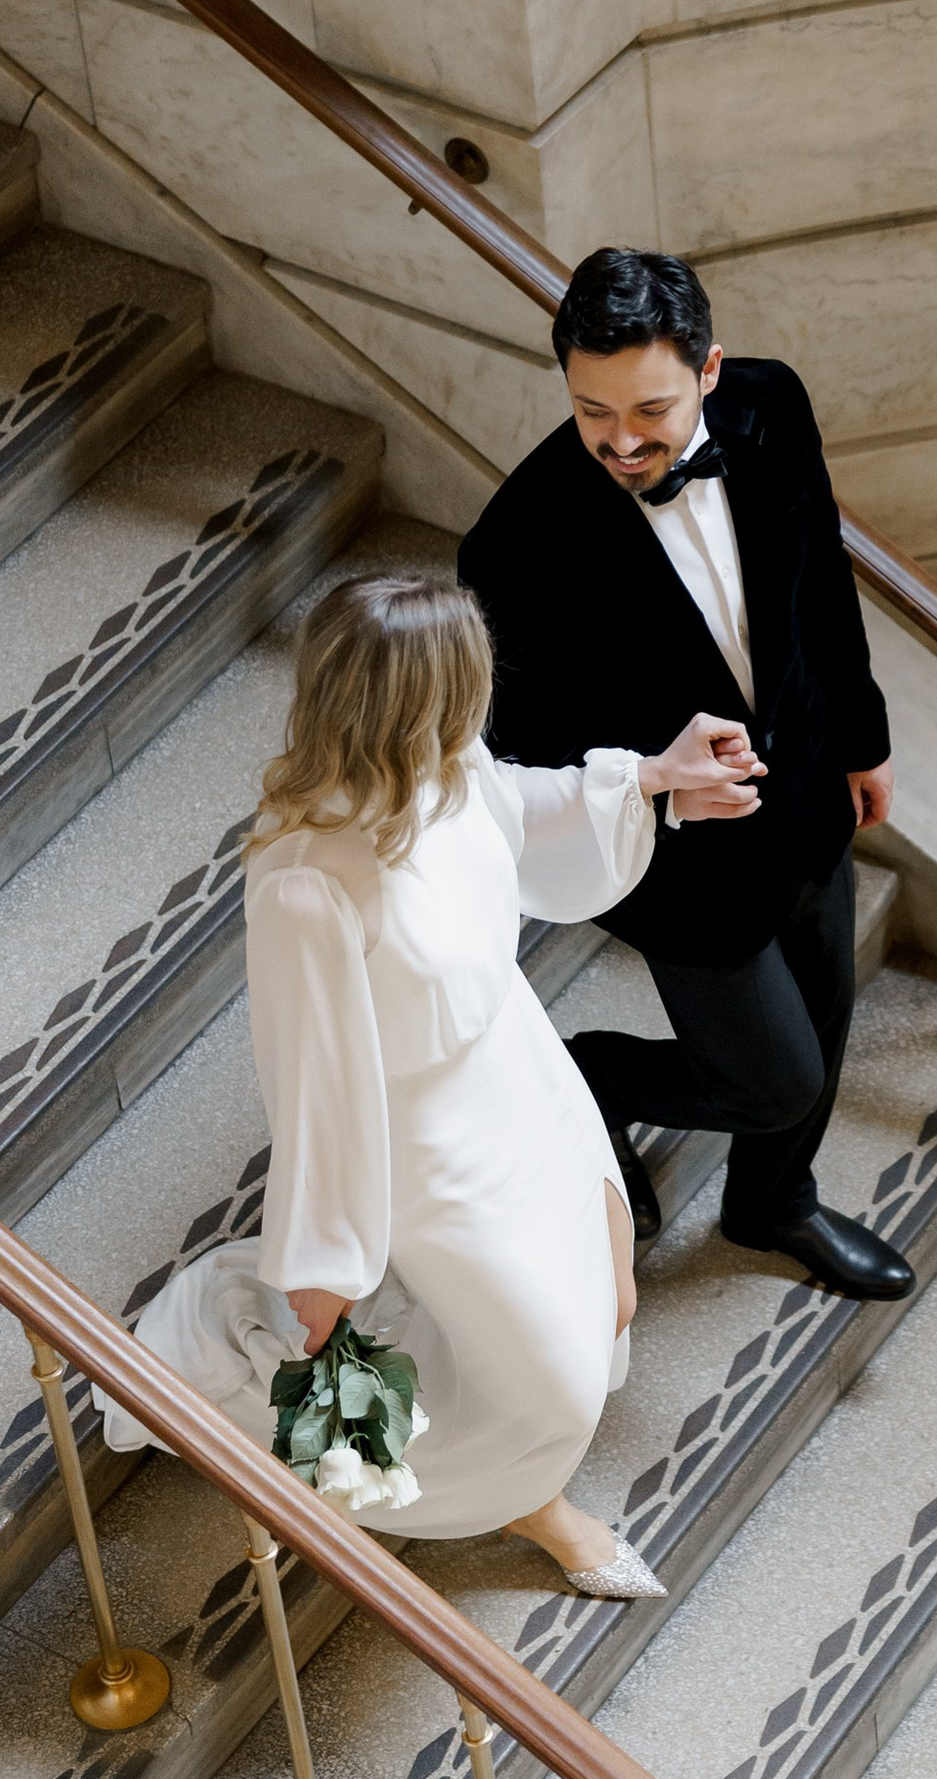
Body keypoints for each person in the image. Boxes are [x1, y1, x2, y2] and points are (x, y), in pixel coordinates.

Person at [106, 571, 756, 1594]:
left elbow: (523, 806)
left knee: (609, 1296)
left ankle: (511, 1482)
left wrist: (653, 780)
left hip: (520, 1080)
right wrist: (326, 1260)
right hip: (424, 1144)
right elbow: (314, 1078)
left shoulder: (447, 767)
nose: (480, 705)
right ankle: (527, 1504)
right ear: (408, 699)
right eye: (463, 685)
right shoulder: (305, 876)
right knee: (544, 1371)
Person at [456, 247, 915, 1303]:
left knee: (828, 1003)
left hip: (804, 783)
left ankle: (773, 1203)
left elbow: (819, 579)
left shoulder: (773, 404)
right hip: (674, 854)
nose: (621, 442)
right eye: (590, 413)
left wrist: (860, 733)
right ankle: (592, 1079)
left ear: (708, 371)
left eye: (650, 410)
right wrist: (656, 780)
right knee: (773, 1075)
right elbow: (517, 743)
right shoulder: (517, 540)